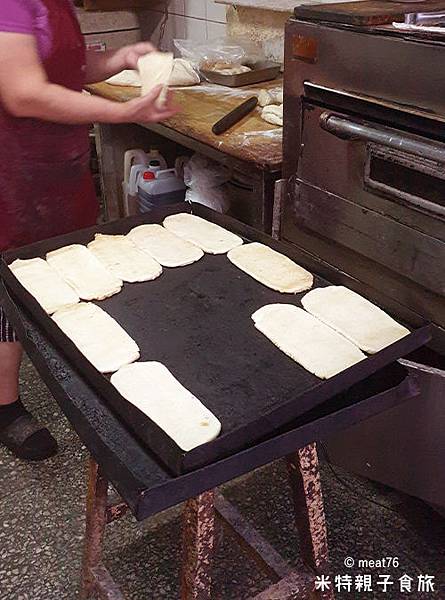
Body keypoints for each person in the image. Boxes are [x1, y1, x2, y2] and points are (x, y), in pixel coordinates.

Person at [0, 0, 178, 460]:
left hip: (58, 165)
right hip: (10, 169)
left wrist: (116, 60)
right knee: (7, 290)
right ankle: (4, 408)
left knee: (63, 270)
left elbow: (66, 68)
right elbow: (22, 91)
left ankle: (75, 377)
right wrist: (121, 112)